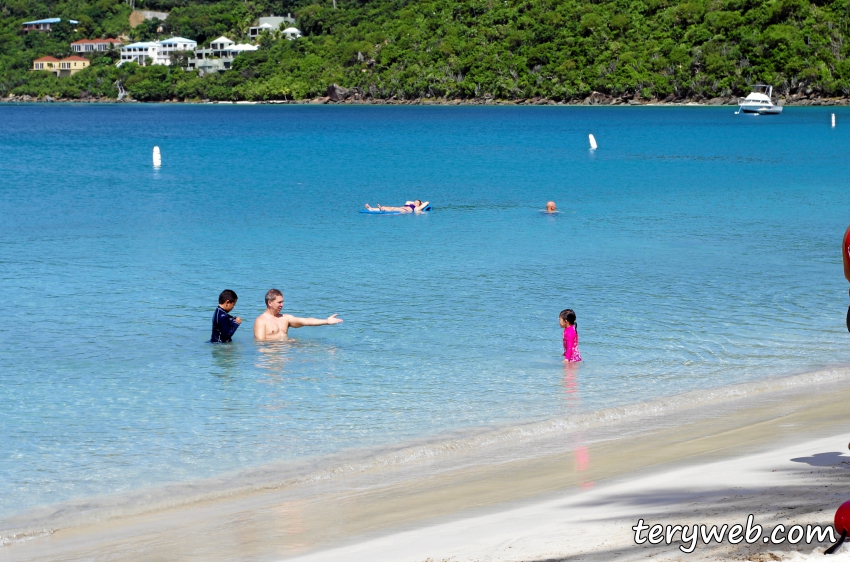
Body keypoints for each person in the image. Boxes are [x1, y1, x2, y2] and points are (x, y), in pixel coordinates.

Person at [254, 288, 343, 341]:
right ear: (270, 303)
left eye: (282, 302)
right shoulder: (261, 321)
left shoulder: (285, 318)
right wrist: (282, 343)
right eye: (279, 302)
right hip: (272, 356)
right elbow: (260, 344)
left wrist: (326, 321)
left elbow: (305, 321)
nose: (282, 305)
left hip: (286, 352)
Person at [364, 200, 429, 213]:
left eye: (416, 202)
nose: (415, 202)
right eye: (414, 201)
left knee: (392, 208)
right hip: (401, 208)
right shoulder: (409, 204)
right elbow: (408, 201)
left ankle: (381, 209)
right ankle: (371, 209)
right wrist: (415, 202)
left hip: (405, 210)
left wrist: (421, 203)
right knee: (390, 207)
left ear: (419, 204)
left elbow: (427, 202)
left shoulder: (417, 208)